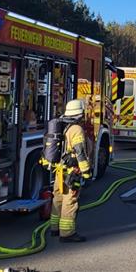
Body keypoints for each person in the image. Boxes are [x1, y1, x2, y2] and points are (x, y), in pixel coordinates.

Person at [50, 99, 91, 243]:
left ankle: (54, 228)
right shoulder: (76, 129)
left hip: (60, 169)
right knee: (70, 200)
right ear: (80, 113)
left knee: (58, 198)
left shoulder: (61, 125)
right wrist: (86, 172)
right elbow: (80, 152)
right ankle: (67, 233)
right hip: (72, 171)